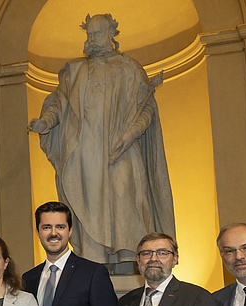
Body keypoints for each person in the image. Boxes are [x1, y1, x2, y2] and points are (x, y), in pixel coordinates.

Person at [27, 13, 175, 267]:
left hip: (122, 151)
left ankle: (129, 261)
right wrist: (46, 122)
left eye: (96, 33)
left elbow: (146, 108)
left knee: (124, 199)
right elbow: (58, 103)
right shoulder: (76, 70)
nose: (91, 39)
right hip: (84, 156)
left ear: (111, 34)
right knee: (88, 206)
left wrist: (130, 135)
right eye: (89, 34)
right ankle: (93, 264)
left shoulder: (130, 68)